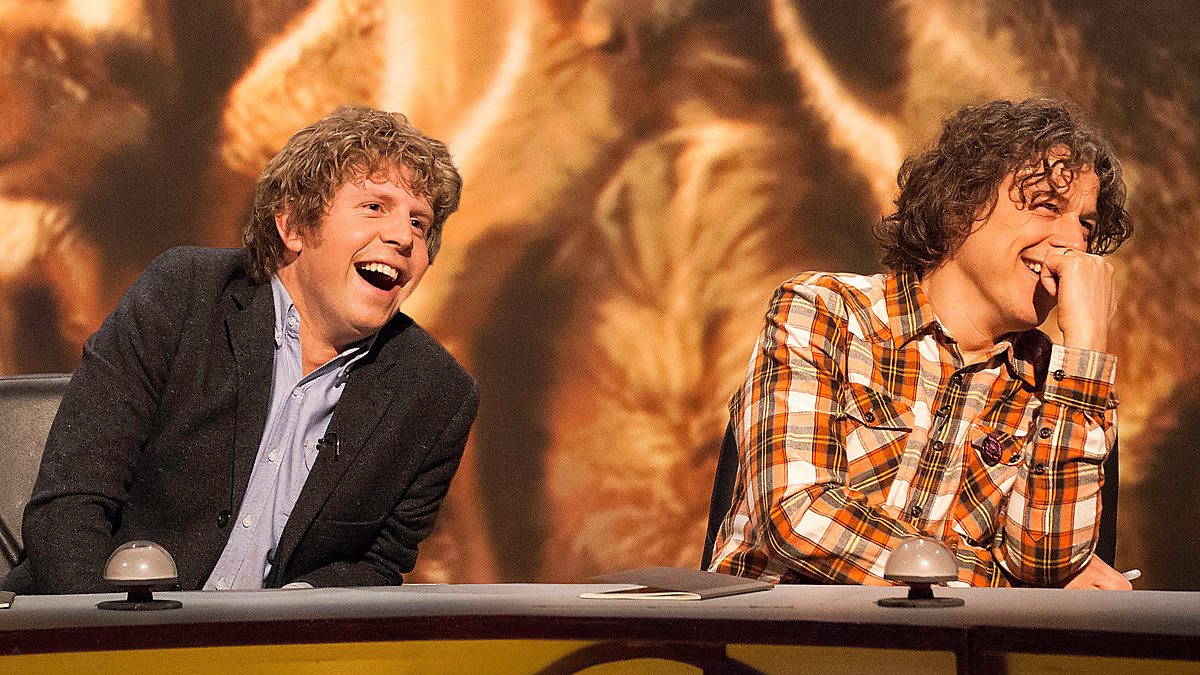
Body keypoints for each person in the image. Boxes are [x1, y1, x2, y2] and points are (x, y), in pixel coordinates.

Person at [6, 106, 477, 593]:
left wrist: (298, 615)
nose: (403, 237)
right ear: (293, 226)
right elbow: (69, 508)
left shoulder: (437, 395)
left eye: (419, 223)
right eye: (375, 207)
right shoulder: (185, 295)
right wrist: (115, 632)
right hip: (94, 623)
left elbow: (378, 563)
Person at [709, 99, 1134, 589]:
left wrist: (1086, 349)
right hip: (779, 628)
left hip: (955, 640)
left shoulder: (1057, 387)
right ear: (961, 208)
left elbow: (1047, 565)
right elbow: (799, 516)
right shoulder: (826, 310)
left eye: (1085, 224)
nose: (1074, 244)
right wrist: (1004, 587)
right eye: (1046, 206)